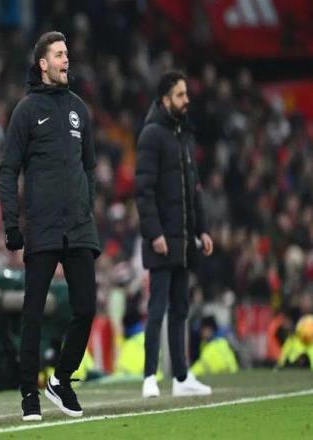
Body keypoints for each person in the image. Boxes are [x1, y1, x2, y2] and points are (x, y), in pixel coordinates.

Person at [0, 31, 100, 421]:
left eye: (66, 53)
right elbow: (8, 170)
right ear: (43, 64)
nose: (65, 60)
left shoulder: (79, 110)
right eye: (59, 54)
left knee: (86, 308)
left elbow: (89, 167)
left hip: (78, 227)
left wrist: (86, 205)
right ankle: (29, 394)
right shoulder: (26, 111)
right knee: (33, 313)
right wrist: (12, 224)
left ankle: (60, 380)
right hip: (42, 227)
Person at [135, 71, 213, 398]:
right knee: (157, 310)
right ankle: (149, 376)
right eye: (180, 95)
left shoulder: (184, 136)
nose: (186, 100)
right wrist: (154, 233)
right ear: (165, 99)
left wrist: (203, 229)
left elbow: (194, 190)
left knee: (180, 309)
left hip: (182, 240)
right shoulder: (152, 135)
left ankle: (181, 377)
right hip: (162, 240)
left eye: (186, 94)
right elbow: (143, 191)